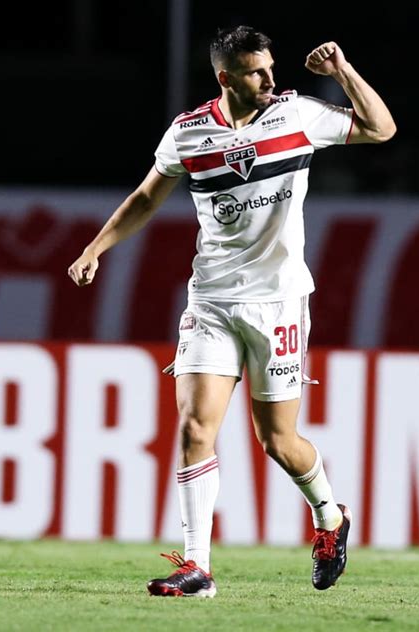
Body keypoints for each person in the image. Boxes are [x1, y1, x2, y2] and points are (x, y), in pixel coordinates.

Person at [68, 25, 396, 597]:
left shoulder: (297, 116)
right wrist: (97, 247)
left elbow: (380, 128)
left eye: (271, 67)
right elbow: (147, 195)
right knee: (196, 428)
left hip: (280, 302)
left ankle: (330, 518)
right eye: (256, 71)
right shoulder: (189, 133)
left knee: (277, 440)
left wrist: (342, 71)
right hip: (212, 300)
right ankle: (198, 568)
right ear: (226, 78)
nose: (272, 78)